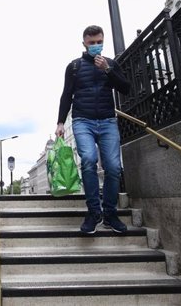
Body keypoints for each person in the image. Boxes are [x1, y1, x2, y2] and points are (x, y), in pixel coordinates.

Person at [55, 25, 131, 234]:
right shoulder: (74, 67)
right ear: (84, 44)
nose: (96, 46)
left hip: (107, 121)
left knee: (114, 167)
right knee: (88, 160)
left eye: (99, 42)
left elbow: (125, 88)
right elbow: (66, 95)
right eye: (92, 43)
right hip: (83, 121)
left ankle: (110, 214)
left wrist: (107, 69)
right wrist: (61, 122)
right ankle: (93, 212)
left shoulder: (111, 64)